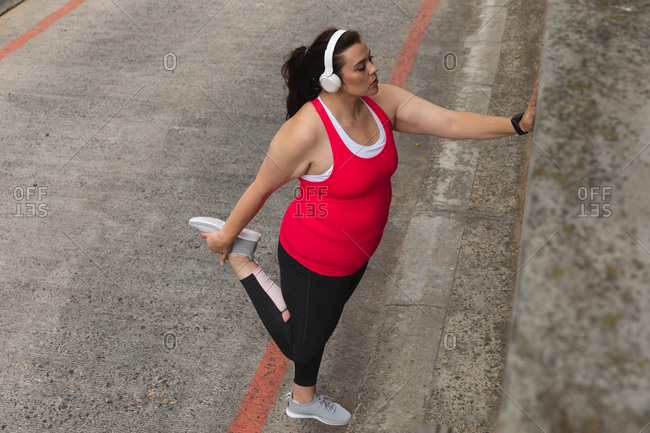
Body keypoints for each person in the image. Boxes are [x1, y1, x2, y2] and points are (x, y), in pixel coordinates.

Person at [198, 27, 537, 426]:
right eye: (363, 66)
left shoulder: (382, 102)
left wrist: (517, 124)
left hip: (357, 252)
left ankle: (303, 399)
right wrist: (224, 237)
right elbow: (260, 188)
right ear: (331, 79)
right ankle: (243, 260)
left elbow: (447, 122)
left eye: (371, 58)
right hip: (313, 255)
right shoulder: (305, 132)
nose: (376, 69)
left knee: (320, 325)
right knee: (302, 344)